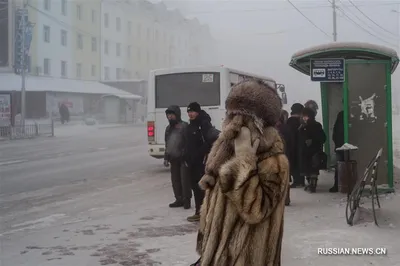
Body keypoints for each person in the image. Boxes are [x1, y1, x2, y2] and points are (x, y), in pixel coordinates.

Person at [194, 80, 289, 266]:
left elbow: (257, 211)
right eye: (231, 116)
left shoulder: (274, 161)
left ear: (260, 123)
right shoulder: (223, 154)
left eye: (243, 118)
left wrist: (245, 161)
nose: (234, 125)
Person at [184, 102, 220, 222]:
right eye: (189, 112)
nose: (190, 114)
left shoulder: (203, 124)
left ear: (198, 112)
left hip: (201, 161)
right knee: (195, 186)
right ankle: (199, 212)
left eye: (192, 111)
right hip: (192, 162)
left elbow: (210, 141)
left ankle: (206, 212)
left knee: (202, 187)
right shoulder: (191, 125)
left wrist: (200, 153)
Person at [164, 105, 191, 209]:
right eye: (168, 115)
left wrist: (186, 154)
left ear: (177, 114)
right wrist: (166, 157)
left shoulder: (184, 126)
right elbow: (167, 144)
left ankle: (186, 200)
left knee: (185, 180)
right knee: (175, 180)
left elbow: (188, 142)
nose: (170, 117)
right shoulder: (168, 129)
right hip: (173, 158)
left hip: (183, 158)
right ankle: (178, 199)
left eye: (171, 114)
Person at [299, 107, 326, 193]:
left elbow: (301, 138)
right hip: (315, 151)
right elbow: (323, 138)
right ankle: (312, 184)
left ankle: (311, 185)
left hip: (308, 152)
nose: (303, 117)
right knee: (314, 169)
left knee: (309, 169)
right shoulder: (317, 125)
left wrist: (311, 140)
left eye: (305, 116)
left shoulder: (304, 126)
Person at [276, 110, 294, 206]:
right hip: (285, 156)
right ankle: (286, 198)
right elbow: (291, 142)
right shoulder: (286, 128)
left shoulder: (270, 129)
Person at [287, 103, 304, 188]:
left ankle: (297, 181)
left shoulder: (290, 121)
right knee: (300, 161)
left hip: (292, 144)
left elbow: (289, 133)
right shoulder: (302, 120)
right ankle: (301, 180)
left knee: (293, 163)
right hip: (301, 144)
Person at [330, 110, 344, 193]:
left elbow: (334, 134)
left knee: (339, 166)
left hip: (339, 146)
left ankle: (337, 185)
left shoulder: (341, 115)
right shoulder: (350, 114)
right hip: (343, 145)